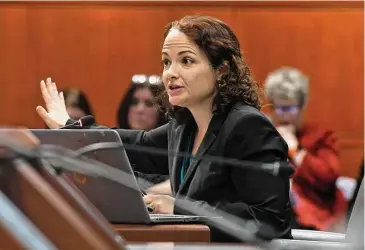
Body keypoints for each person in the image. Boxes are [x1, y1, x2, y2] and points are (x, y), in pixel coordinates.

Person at [36, 15, 292, 242]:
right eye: (166, 62)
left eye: (187, 61)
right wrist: (70, 128)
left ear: (222, 70)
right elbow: (130, 145)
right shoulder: (183, 127)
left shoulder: (247, 126)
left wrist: (180, 208)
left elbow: (270, 221)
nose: (170, 73)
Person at [264, 67, 347, 232]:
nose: (284, 116)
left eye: (290, 109)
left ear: (302, 106)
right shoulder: (264, 135)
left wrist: (295, 149)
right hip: (269, 211)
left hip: (309, 217)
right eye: (279, 108)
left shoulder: (320, 136)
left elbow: (328, 177)